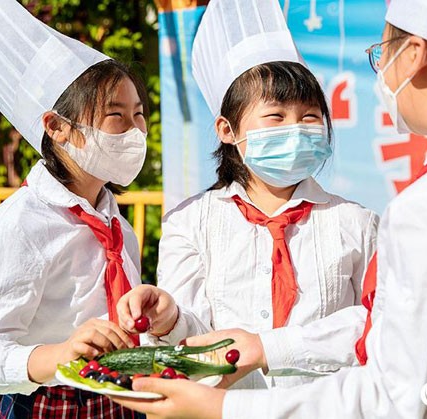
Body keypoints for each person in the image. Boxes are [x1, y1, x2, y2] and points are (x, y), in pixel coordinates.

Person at [112, 0, 427, 417]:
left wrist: (224, 407)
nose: (384, 75)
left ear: (414, 54)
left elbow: (390, 392)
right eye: (276, 116)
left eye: (382, 52)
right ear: (227, 129)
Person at [116, 0, 378, 390]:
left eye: (310, 117)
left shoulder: (356, 221)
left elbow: (377, 324)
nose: (297, 127)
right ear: (226, 128)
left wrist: (270, 347)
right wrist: (170, 318)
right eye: (276, 116)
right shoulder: (190, 223)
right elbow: (194, 344)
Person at [0, 0, 147, 417]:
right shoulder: (18, 226)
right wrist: (59, 354)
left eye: (139, 114)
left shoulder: (116, 226)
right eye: (116, 115)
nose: (135, 131)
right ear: (57, 127)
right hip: (48, 404)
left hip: (120, 400)